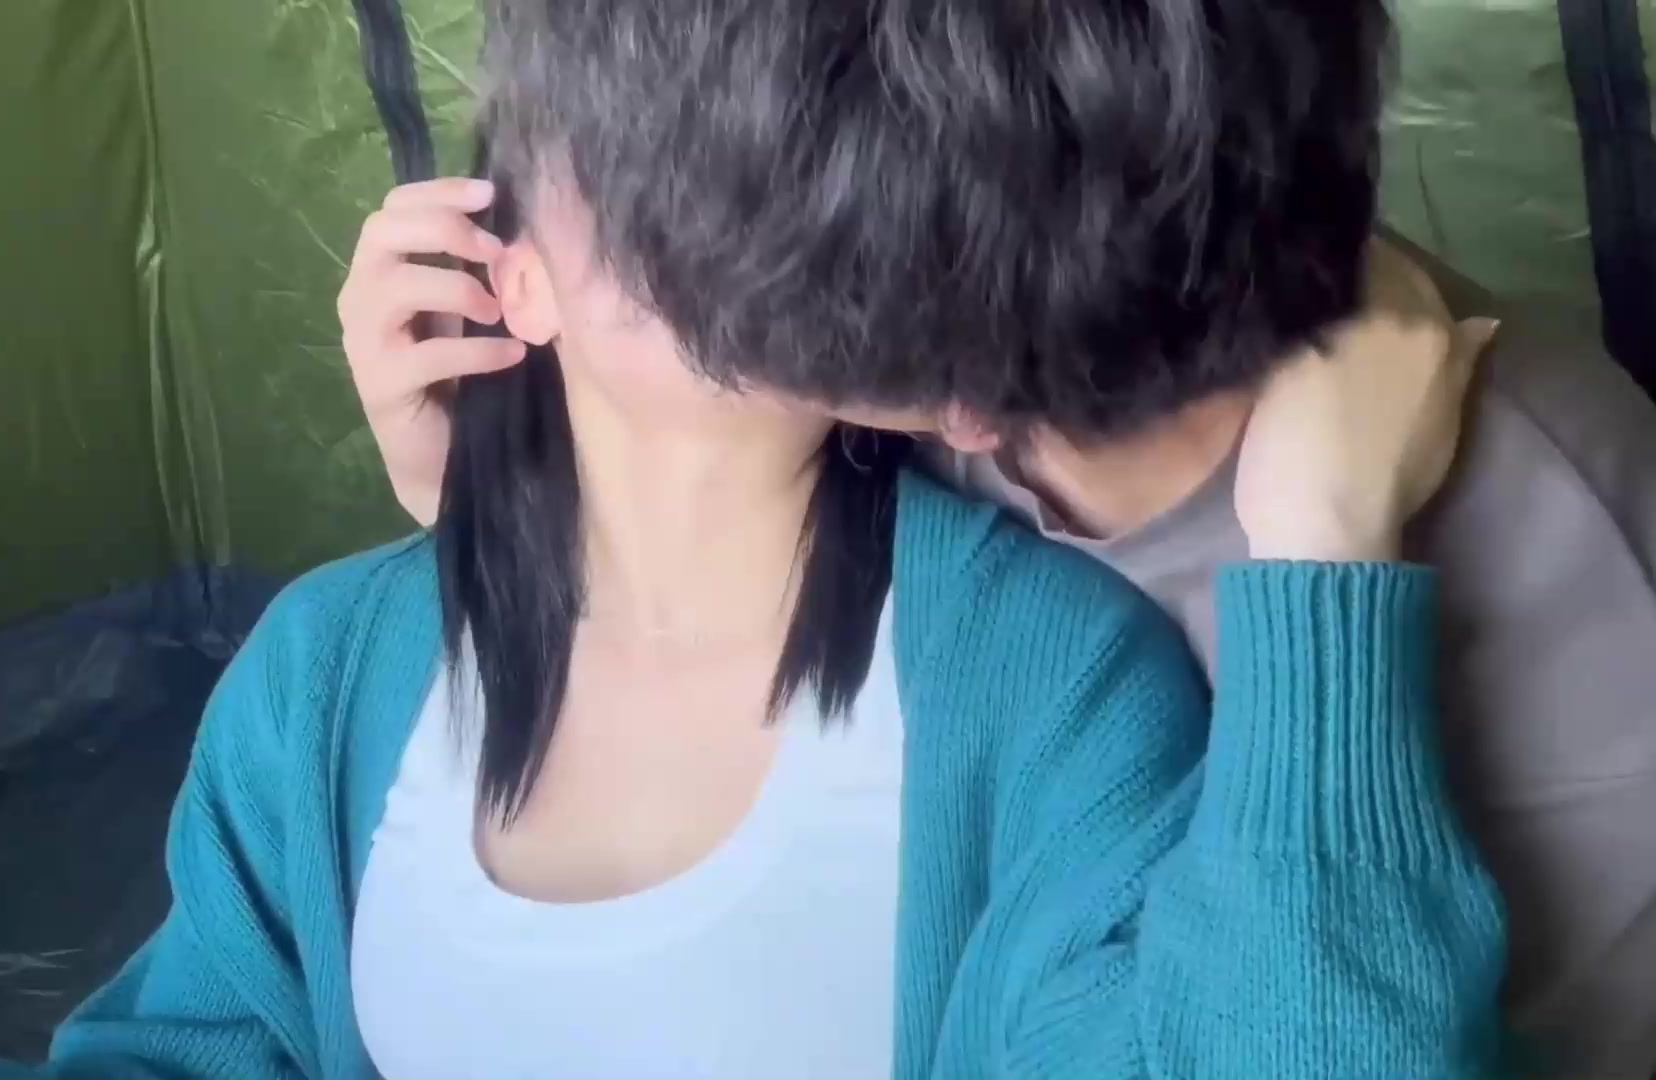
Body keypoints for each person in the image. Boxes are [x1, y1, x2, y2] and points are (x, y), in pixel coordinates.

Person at [0, 2, 1509, 1080]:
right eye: (632, 121)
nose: (709, 163)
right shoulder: (326, 679)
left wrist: (1322, 567)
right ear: (493, 261)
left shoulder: (1040, 679)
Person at [344, 1, 1656, 1077]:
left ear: (957, 409)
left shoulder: (1571, 562)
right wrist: (491, 493)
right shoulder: (901, 331)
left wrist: (1325, 563)